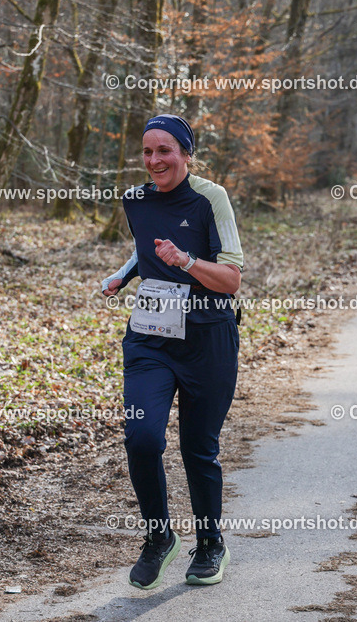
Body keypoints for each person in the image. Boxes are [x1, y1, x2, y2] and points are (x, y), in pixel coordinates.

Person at [101, 114, 243, 590]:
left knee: (198, 449)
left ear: (186, 154)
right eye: (147, 151)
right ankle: (159, 538)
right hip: (151, 338)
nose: (154, 160)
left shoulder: (210, 198)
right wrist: (124, 275)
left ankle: (210, 545)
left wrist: (186, 261)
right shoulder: (135, 199)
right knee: (141, 438)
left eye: (165, 150)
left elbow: (231, 279)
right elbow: (145, 249)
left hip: (207, 338)